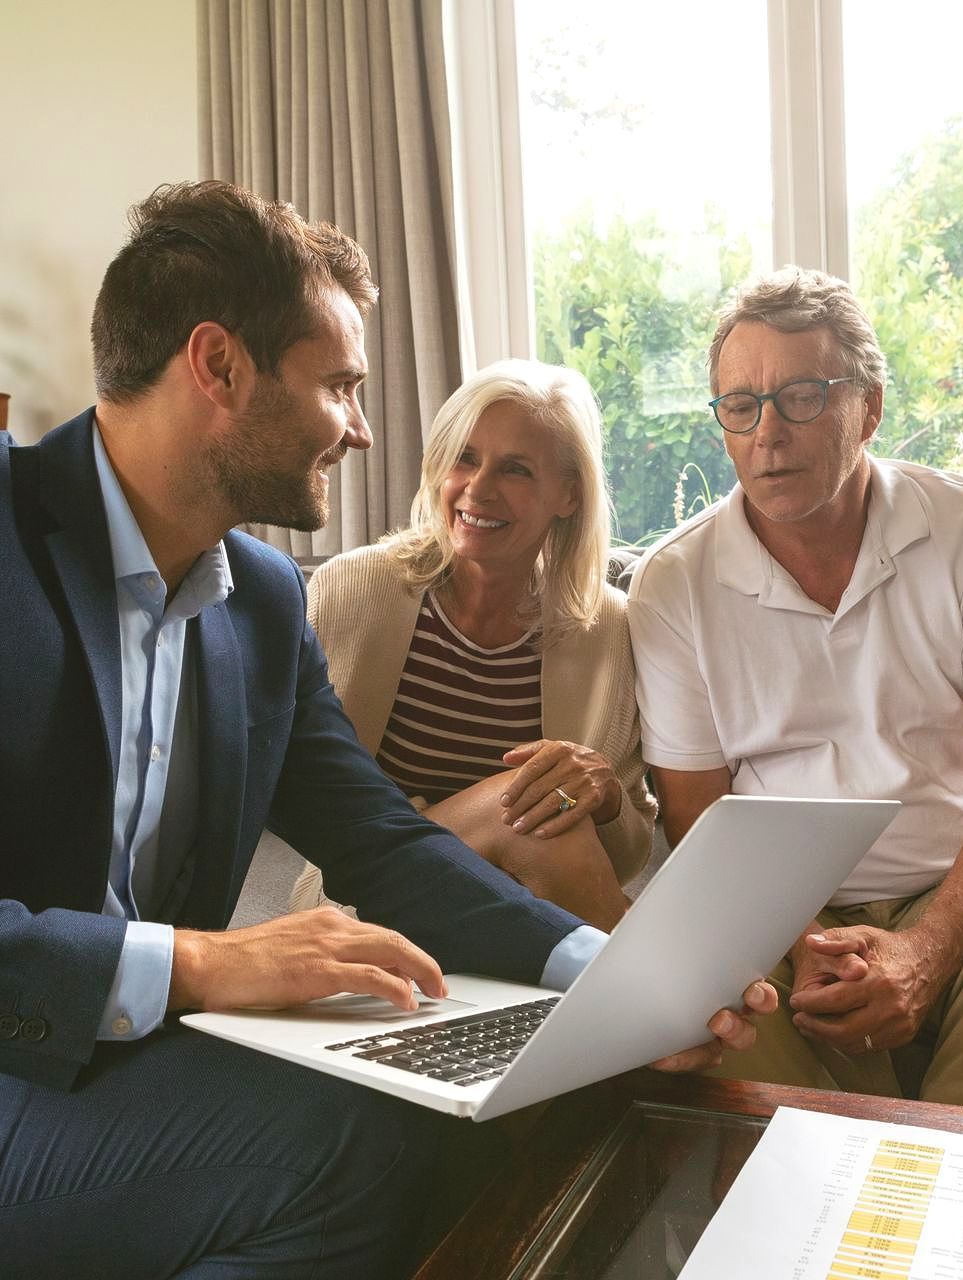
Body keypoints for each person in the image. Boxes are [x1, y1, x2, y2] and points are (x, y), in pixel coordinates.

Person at [0, 180, 774, 1280]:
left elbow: (384, 840)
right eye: (340, 387)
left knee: (470, 1134)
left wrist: (613, 976)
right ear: (218, 366)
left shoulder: (260, 600)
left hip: (124, 1066)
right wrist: (196, 963)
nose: (362, 428)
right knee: (352, 1149)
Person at [627, 265, 963, 1105]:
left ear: (870, 407)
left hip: (951, 889)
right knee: (784, 1154)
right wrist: (802, 937)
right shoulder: (674, 583)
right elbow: (695, 813)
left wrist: (927, 947)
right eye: (740, 406)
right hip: (773, 917)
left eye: (802, 395)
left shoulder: (953, 531)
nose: (766, 433)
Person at [291, 359, 656, 932]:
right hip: (366, 898)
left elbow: (627, 855)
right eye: (465, 457)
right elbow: (305, 796)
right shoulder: (351, 590)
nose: (478, 489)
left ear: (568, 495)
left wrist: (605, 795)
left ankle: (663, 991)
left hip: (534, 913)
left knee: (545, 814)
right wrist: (493, 822)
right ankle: (672, 994)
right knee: (529, 806)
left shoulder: (608, 630)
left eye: (515, 470)